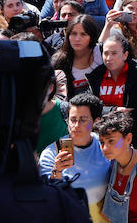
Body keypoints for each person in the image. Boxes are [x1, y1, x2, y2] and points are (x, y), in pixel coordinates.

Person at [38, 93, 112, 223]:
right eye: (72, 119)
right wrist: (57, 171)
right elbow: (47, 197)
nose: (76, 125)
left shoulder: (106, 145)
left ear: (96, 121)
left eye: (83, 120)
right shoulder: (51, 153)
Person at [86, 32, 137, 143]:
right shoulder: (96, 76)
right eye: (106, 53)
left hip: (131, 134)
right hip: (100, 132)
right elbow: (91, 108)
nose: (108, 58)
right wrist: (115, 110)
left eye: (114, 53)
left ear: (125, 55)